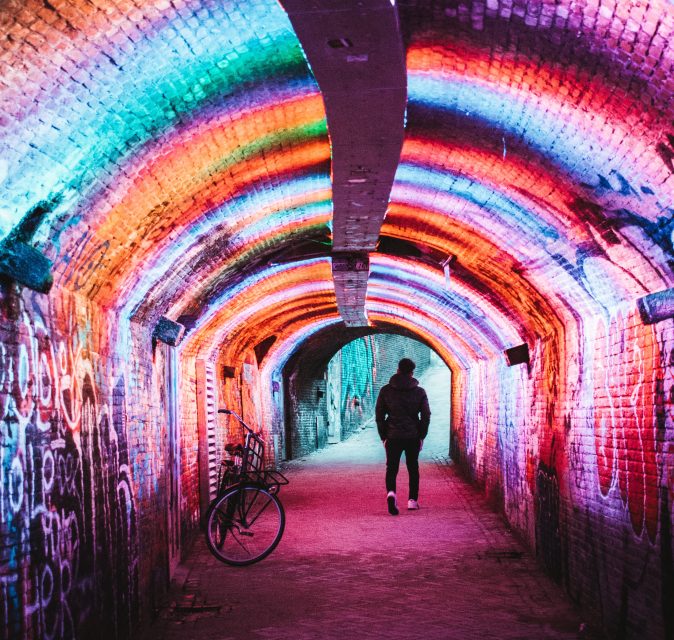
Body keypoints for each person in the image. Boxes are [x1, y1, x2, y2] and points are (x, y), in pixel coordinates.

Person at [375, 358, 431, 515]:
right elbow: (426, 415)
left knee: (391, 467)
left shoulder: (386, 390)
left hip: (392, 436)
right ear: (412, 373)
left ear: (398, 370)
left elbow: (379, 415)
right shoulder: (419, 392)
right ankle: (412, 501)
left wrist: (383, 436)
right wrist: (422, 435)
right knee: (413, 467)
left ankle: (391, 493)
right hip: (412, 436)